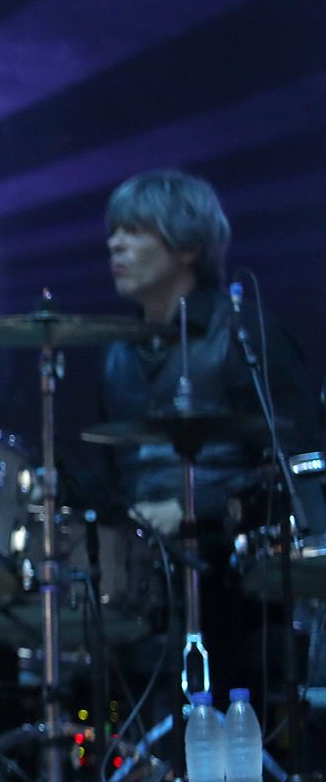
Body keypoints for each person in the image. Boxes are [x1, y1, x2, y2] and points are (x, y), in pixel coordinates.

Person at [97, 169, 319, 701]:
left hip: (234, 580)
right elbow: (112, 473)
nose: (115, 244)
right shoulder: (116, 353)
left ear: (187, 246)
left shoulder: (243, 332)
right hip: (146, 583)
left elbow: (300, 464)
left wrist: (195, 509)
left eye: (134, 230)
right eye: (114, 231)